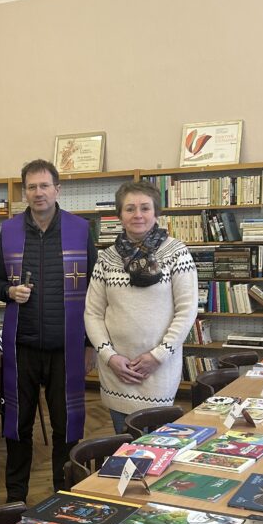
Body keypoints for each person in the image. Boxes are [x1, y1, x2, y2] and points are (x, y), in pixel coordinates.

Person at [0, 160, 97, 501]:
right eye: (32, 187)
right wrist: (9, 291)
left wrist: (90, 344)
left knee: (66, 425)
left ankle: (64, 493)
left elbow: (96, 293)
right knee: (17, 425)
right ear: (25, 192)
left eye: (45, 186)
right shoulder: (9, 231)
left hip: (66, 347)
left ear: (57, 190)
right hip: (22, 347)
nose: (39, 192)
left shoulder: (80, 229)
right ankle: (15, 497)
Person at [84, 180, 198, 432]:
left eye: (145, 208)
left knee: (157, 447)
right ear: (120, 215)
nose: (138, 215)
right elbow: (92, 313)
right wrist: (109, 357)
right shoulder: (106, 259)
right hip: (117, 371)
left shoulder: (177, 253)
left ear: (156, 213)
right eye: (130, 208)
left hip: (159, 370)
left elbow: (187, 311)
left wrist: (158, 356)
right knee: (124, 444)